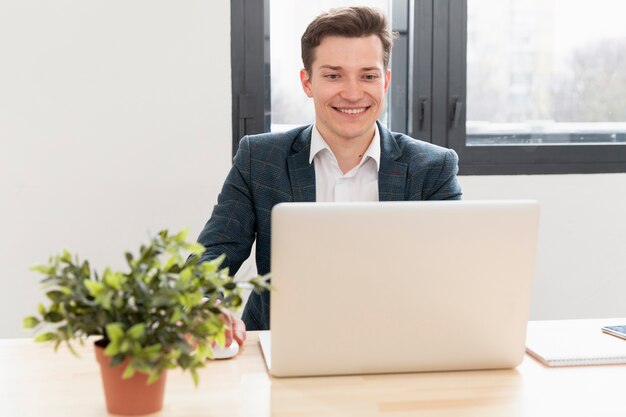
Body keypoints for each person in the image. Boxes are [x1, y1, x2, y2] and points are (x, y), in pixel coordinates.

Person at [197, 6, 462, 347]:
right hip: (283, 345)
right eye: (334, 75)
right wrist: (204, 304)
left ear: (386, 80)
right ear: (307, 82)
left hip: (395, 348)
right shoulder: (260, 159)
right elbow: (214, 252)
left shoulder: (433, 167)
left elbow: (451, 276)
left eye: (368, 76)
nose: (352, 93)